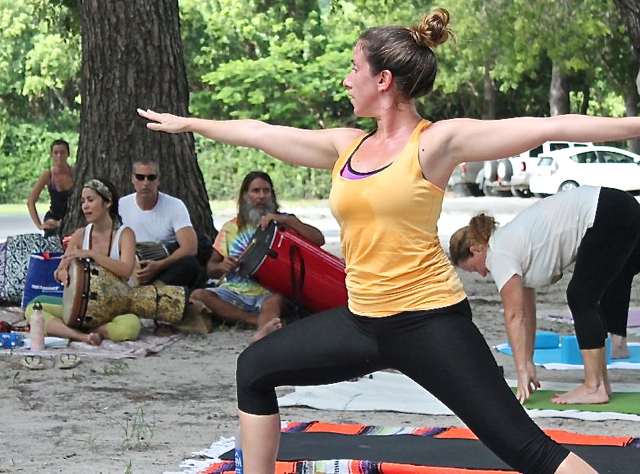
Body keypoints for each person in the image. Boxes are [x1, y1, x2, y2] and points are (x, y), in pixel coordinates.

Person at [134, 6, 640, 472]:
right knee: (255, 368)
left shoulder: (436, 143)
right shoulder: (347, 145)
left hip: (430, 323)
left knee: (526, 448)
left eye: (355, 68)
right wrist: (191, 124)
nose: (347, 79)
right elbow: (261, 131)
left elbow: (547, 125)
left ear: (383, 79)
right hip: (362, 322)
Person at [450, 186, 640, 405]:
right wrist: (527, 361)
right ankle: (600, 385)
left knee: (581, 297)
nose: (482, 275)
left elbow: (514, 316)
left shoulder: (498, 252)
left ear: (476, 250)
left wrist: (520, 371)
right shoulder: (513, 248)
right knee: (586, 295)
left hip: (608, 212)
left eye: (475, 268)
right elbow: (527, 313)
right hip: (617, 208)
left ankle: (594, 387)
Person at [190, 171, 325, 342]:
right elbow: (211, 269)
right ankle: (254, 321)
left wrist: (289, 221)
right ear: (245, 196)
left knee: (274, 301)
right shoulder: (231, 228)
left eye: (266, 191)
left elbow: (319, 240)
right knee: (199, 295)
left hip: (269, 293)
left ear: (272, 195)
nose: (261, 196)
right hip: (234, 292)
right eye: (255, 191)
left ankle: (261, 328)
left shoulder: (284, 223)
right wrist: (222, 266)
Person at [25, 179, 140, 345]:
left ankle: (93, 330)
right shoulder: (80, 235)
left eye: (91, 200)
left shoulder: (125, 234)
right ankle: (83, 337)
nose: (85, 206)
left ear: (107, 203)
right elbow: (59, 271)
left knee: (130, 326)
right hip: (81, 309)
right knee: (33, 308)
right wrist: (63, 274)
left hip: (115, 308)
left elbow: (125, 271)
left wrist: (92, 254)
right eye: (82, 201)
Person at [119, 159, 201, 288]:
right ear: (132, 179)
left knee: (190, 264)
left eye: (151, 178)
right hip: (130, 263)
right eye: (140, 177)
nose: (145, 183)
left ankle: (152, 291)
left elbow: (190, 247)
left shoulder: (175, 205)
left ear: (158, 180)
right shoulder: (120, 205)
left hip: (163, 263)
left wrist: (159, 265)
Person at [27, 139, 75, 237]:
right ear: (51, 155)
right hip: (53, 219)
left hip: (72, 219)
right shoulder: (48, 175)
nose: (59, 156)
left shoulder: (75, 173)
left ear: (68, 154)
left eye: (62, 152)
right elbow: (30, 201)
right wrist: (40, 225)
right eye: (56, 153)